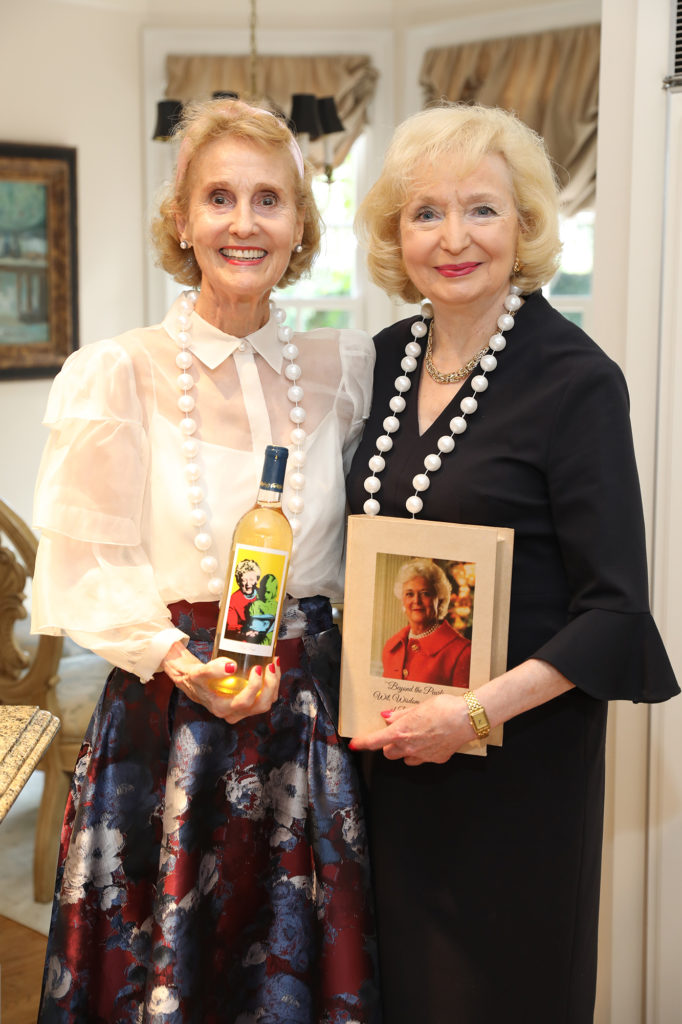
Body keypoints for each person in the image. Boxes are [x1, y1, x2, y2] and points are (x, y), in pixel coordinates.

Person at [32, 98, 377, 1023]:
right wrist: (189, 668)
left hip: (311, 721)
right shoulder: (117, 373)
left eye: (270, 199)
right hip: (168, 712)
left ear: (299, 226)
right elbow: (80, 565)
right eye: (218, 196)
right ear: (182, 219)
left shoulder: (345, 367)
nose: (244, 221)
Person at [346, 102, 679, 1023]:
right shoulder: (378, 362)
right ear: (394, 234)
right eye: (426, 213)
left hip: (512, 775)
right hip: (385, 767)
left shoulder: (577, 382)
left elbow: (613, 612)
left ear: (526, 226)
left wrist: (471, 714)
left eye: (482, 210)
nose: (455, 238)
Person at [382, 557, 471, 686]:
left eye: (425, 594)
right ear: (402, 600)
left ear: (439, 599)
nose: (416, 601)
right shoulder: (392, 647)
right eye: (409, 594)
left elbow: (474, 704)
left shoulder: (462, 652)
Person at [225, 556, 261, 637]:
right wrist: (244, 631)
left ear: (257, 580)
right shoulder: (233, 599)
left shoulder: (264, 595)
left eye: (251, 579)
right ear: (238, 581)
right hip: (243, 637)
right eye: (244, 580)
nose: (248, 584)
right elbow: (232, 626)